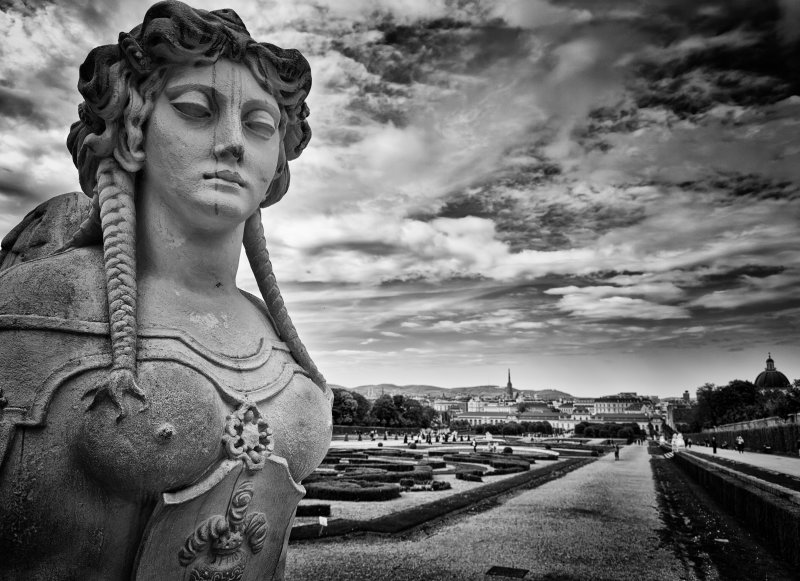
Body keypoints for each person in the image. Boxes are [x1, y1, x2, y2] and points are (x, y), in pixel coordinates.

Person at [0, 2, 332, 578]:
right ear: (131, 134)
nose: (232, 143)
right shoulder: (38, 303)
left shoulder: (267, 328)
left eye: (258, 124)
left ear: (278, 156)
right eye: (195, 111)